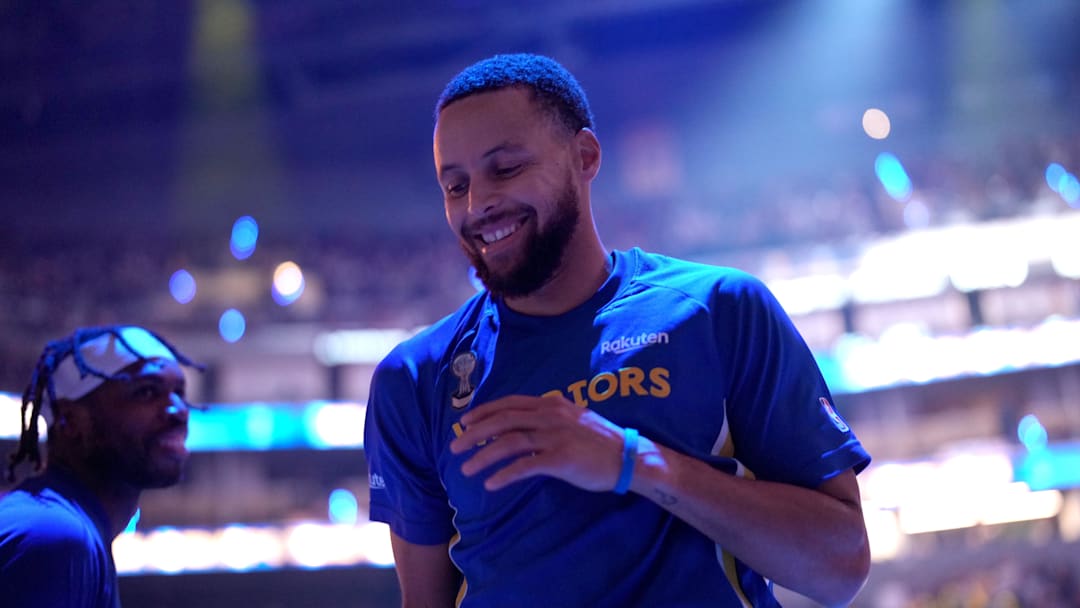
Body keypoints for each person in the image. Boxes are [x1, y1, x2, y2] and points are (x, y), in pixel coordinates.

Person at [363, 53, 872, 608]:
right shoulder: (414, 379)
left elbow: (840, 569)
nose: (478, 203)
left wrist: (635, 462)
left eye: (505, 168)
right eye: (454, 185)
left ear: (584, 156)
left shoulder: (718, 311)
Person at [0, 325, 203, 607]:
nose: (178, 410)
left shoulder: (65, 526)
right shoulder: (55, 537)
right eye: (146, 392)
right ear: (70, 420)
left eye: (179, 392)